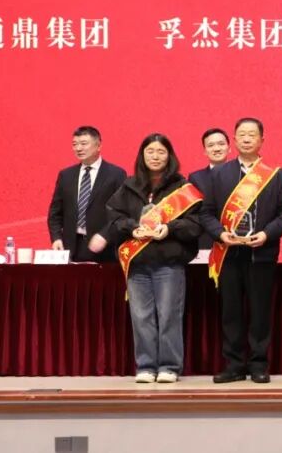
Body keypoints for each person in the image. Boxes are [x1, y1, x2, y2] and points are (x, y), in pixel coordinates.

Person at [93, 134, 202, 384]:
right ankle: (146, 366)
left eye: (161, 152)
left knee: (169, 315)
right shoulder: (129, 185)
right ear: (142, 155)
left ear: (169, 156)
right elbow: (114, 217)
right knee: (141, 316)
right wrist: (132, 228)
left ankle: (169, 367)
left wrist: (169, 229)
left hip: (169, 262)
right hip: (138, 263)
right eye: (150, 151)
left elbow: (195, 223)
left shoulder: (182, 187)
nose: (155, 156)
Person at [199, 118, 282, 384]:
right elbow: (206, 213)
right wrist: (220, 234)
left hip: (261, 253)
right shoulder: (219, 174)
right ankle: (234, 364)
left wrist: (266, 234)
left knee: (260, 311)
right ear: (235, 140)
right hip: (228, 254)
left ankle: (259, 364)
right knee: (231, 311)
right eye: (242, 134)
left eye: (252, 134)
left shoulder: (276, 175)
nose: (247, 139)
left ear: (262, 139)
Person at [46, 126, 127, 262]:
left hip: (103, 247)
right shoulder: (66, 175)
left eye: (83, 144)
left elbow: (122, 213)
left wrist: (105, 235)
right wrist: (56, 238)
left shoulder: (116, 174)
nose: (78, 148)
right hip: (70, 248)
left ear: (98, 145)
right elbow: (55, 213)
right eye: (74, 144)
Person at [188, 128, 231, 250]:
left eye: (221, 144)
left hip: (237, 240)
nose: (216, 149)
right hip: (206, 242)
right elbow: (195, 214)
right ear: (205, 151)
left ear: (229, 148)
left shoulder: (242, 175)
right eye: (211, 145)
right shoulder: (196, 178)